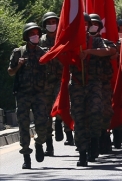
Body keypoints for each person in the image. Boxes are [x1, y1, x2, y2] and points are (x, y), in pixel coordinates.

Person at [70, 13, 115, 167]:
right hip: (76, 84)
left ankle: (95, 138)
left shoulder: (95, 40)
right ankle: (83, 153)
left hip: (94, 83)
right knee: (79, 118)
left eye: (85, 23)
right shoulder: (71, 42)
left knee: (96, 112)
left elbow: (109, 51)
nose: (83, 26)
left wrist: (89, 52)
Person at [8, 23, 50, 169]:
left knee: (42, 123)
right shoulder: (18, 52)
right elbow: (10, 72)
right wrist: (18, 65)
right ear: (26, 36)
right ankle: (26, 156)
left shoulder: (43, 52)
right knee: (23, 126)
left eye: (37, 33)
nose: (35, 36)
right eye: (32, 33)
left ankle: (39, 143)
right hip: (23, 95)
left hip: (39, 94)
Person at [40, 12, 65, 155]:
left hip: (60, 78)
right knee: (46, 114)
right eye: (48, 22)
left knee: (59, 103)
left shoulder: (61, 39)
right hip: (45, 81)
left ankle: (60, 123)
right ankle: (49, 146)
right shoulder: (41, 41)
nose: (51, 25)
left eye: (53, 22)